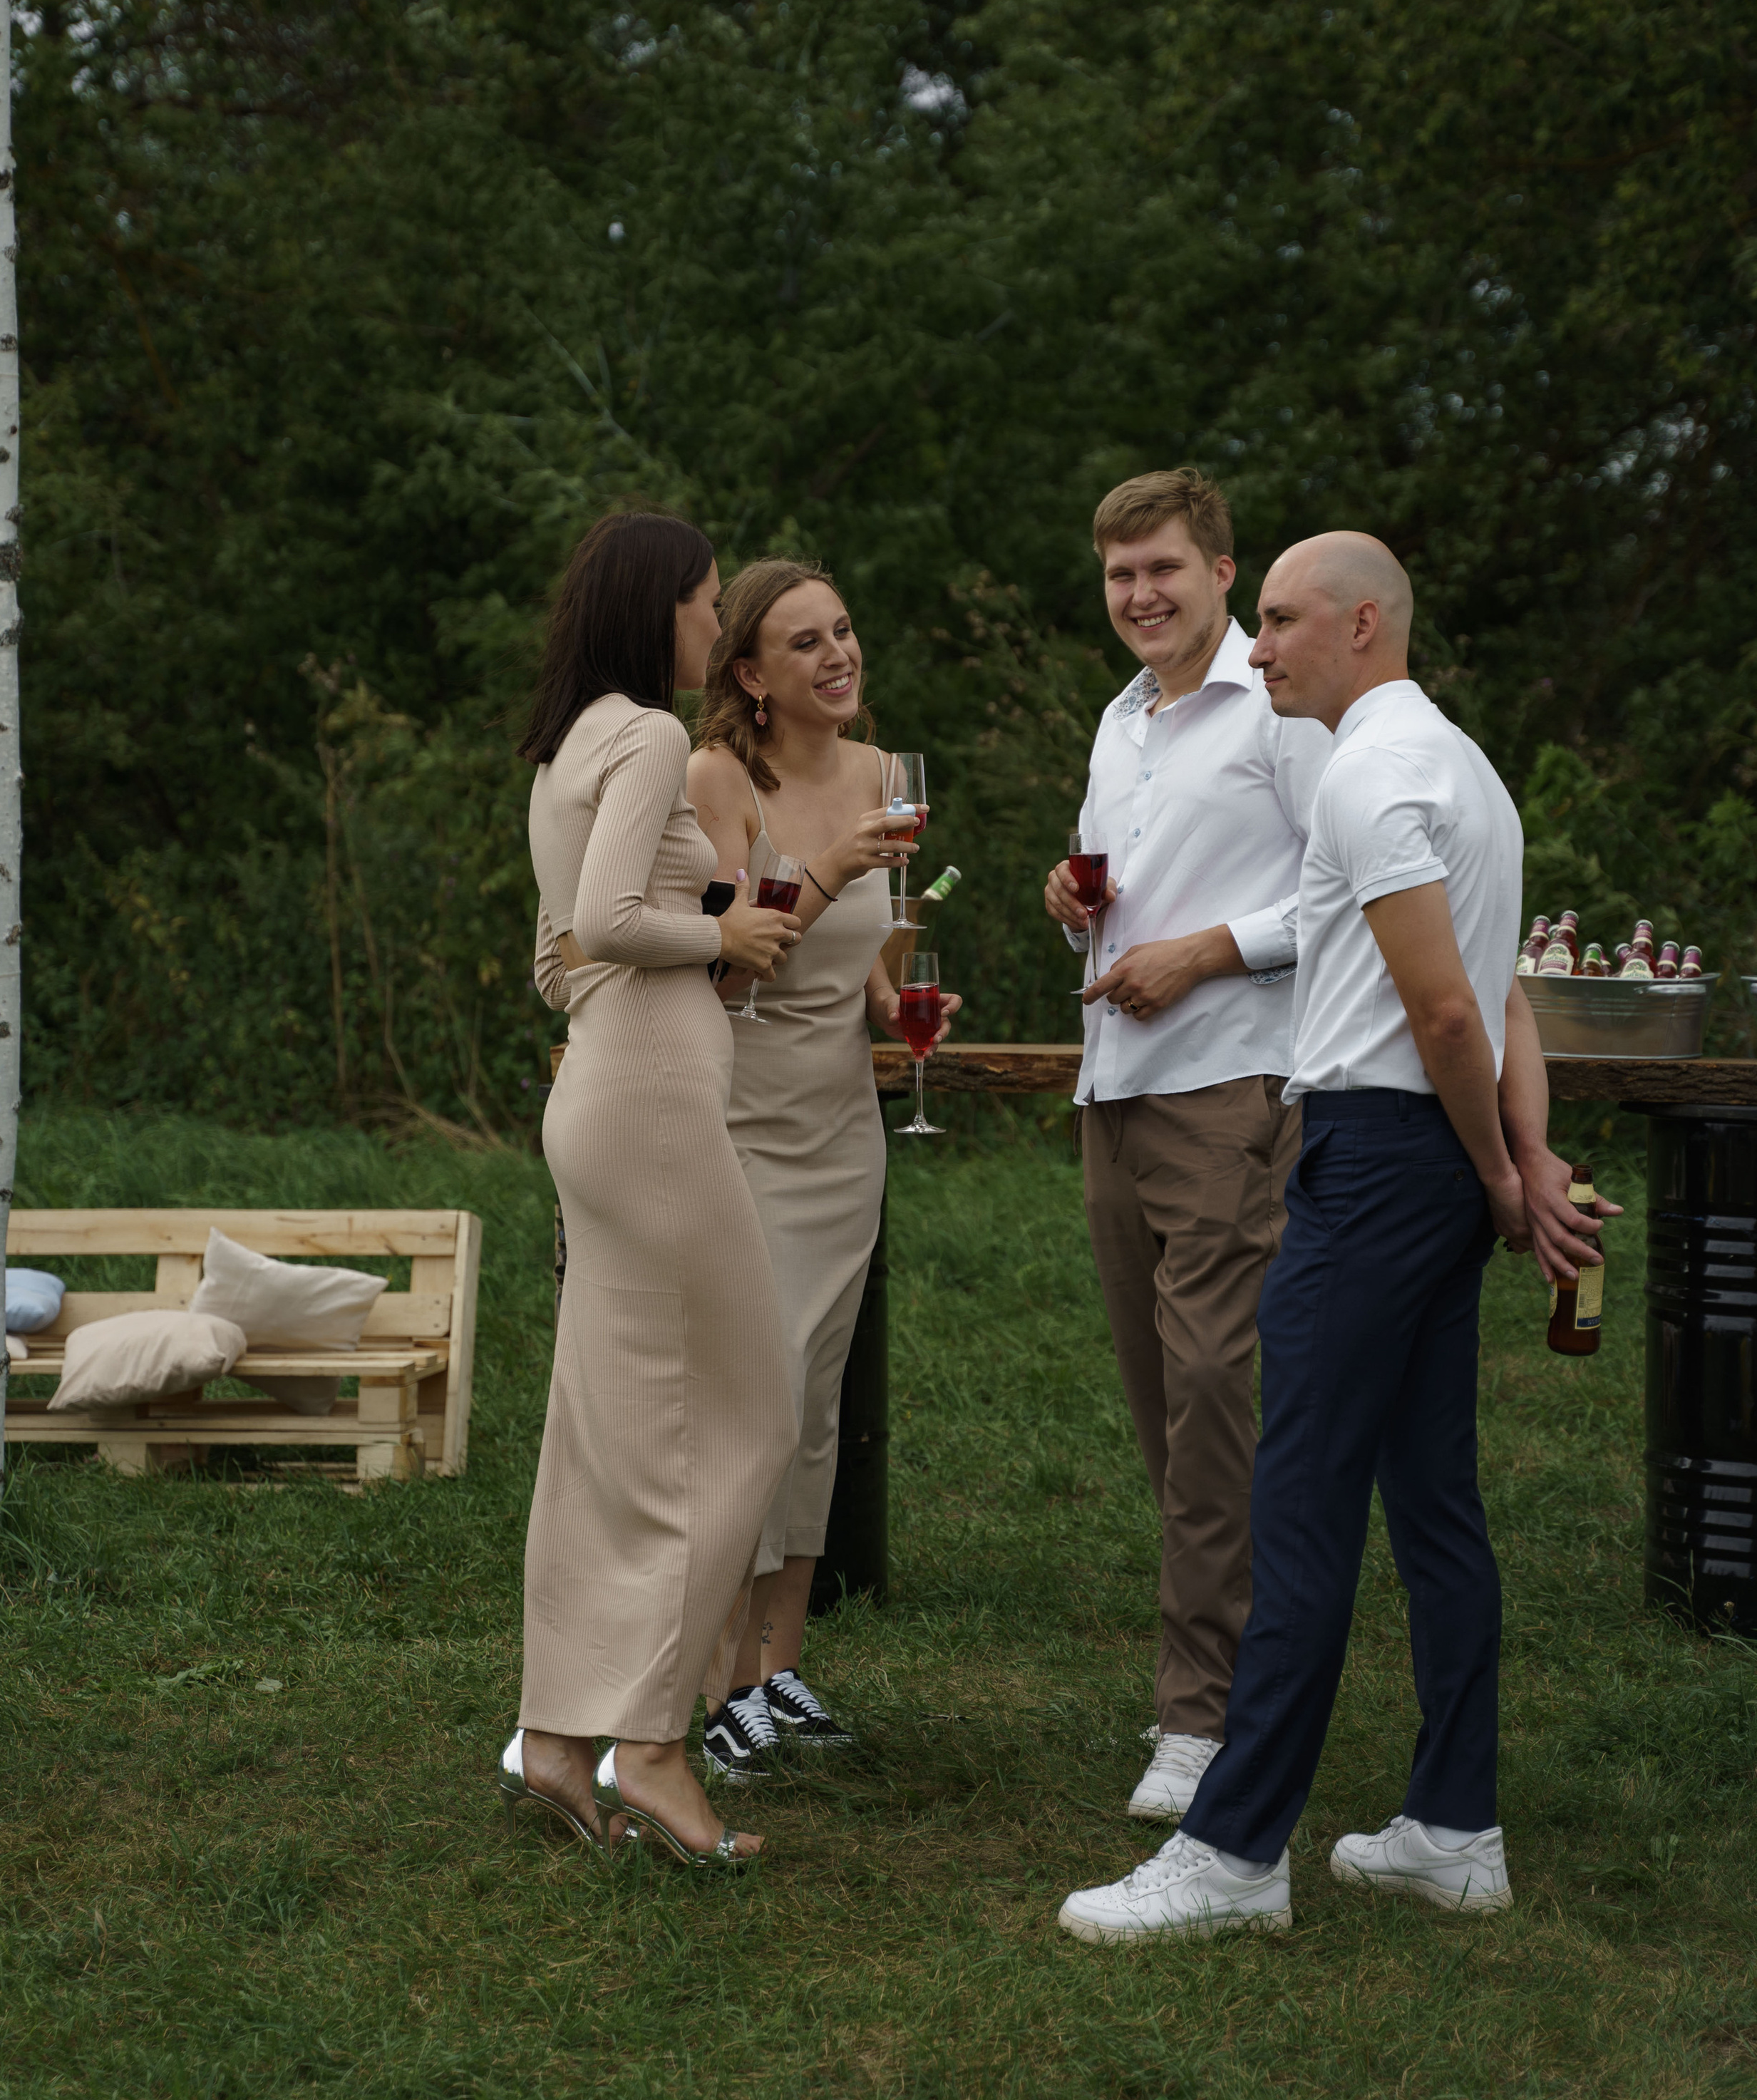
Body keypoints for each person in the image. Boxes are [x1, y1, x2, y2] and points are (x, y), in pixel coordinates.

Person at [1057, 529, 1616, 1944]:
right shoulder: (1463, 771)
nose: (1256, 647)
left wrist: (1500, 1172)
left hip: (1376, 1157)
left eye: (1284, 622)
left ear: (1363, 624)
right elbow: (1504, 1003)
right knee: (1432, 1501)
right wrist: (1516, 1156)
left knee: (1294, 1501)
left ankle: (1233, 1852)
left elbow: (1445, 1015)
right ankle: (1452, 1826)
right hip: (1428, 1155)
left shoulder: (1368, 776)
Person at [502, 511, 805, 1868]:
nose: (712, 625)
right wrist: (725, 930)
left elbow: (558, 960)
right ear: (659, 613)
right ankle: (656, 1748)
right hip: (655, 1113)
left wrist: (700, 947)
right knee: (751, 1400)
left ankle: (560, 1738)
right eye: (701, 603)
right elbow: (616, 922)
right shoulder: (641, 737)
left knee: (608, 1422)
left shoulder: (565, 749)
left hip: (601, 1102)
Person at [1042, 469, 1332, 1821]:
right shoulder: (1122, 723)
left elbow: (1354, 888)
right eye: (1119, 577)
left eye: (1163, 569)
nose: (1141, 596)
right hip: (1118, 1090)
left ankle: (1202, 1718)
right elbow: (1133, 902)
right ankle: (1252, 1672)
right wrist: (1075, 902)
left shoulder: (1278, 709)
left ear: (1225, 571)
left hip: (1232, 1088)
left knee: (1214, 1396)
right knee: (1168, 1416)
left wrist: (1208, 953)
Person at [687, 558, 959, 1779]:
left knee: (816, 1412)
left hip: (845, 1128)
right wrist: (836, 868)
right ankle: (711, 1684)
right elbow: (728, 969)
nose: (838, 655)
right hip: (744, 1127)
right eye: (805, 643)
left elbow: (864, 957)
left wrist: (904, 1003)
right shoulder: (716, 782)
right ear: (751, 675)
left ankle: (780, 1669)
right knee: (751, 1403)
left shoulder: (879, 771)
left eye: (844, 631)